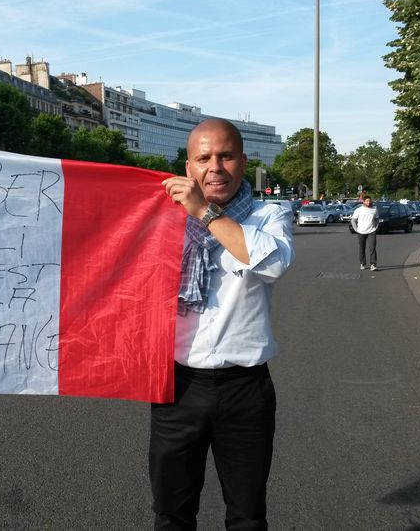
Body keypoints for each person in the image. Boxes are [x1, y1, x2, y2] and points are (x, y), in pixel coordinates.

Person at [155, 118, 295, 530]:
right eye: (204, 158)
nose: (215, 167)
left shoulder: (269, 214)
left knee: (247, 516)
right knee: (171, 514)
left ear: (243, 162)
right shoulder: (161, 218)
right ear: (188, 168)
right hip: (176, 389)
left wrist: (205, 212)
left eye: (226, 156)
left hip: (245, 390)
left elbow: (271, 263)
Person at [351, 196, 379, 271]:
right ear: (363, 201)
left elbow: (377, 219)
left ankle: (373, 265)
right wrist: (356, 229)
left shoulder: (374, 210)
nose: (368, 202)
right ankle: (363, 264)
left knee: (372, 248)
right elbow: (353, 220)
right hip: (361, 232)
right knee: (362, 248)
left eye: (369, 201)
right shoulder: (358, 210)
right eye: (367, 201)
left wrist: (376, 227)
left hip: (371, 231)